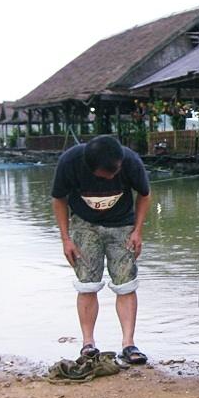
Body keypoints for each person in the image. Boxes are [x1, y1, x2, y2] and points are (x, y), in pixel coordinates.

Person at [51, 135, 152, 364]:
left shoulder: (130, 161)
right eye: (109, 173)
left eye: (116, 170)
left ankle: (128, 344)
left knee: (126, 284)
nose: (114, 175)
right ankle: (88, 344)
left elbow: (144, 195)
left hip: (122, 226)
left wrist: (137, 231)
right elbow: (59, 199)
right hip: (84, 226)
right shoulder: (70, 162)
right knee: (87, 283)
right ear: (91, 168)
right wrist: (66, 238)